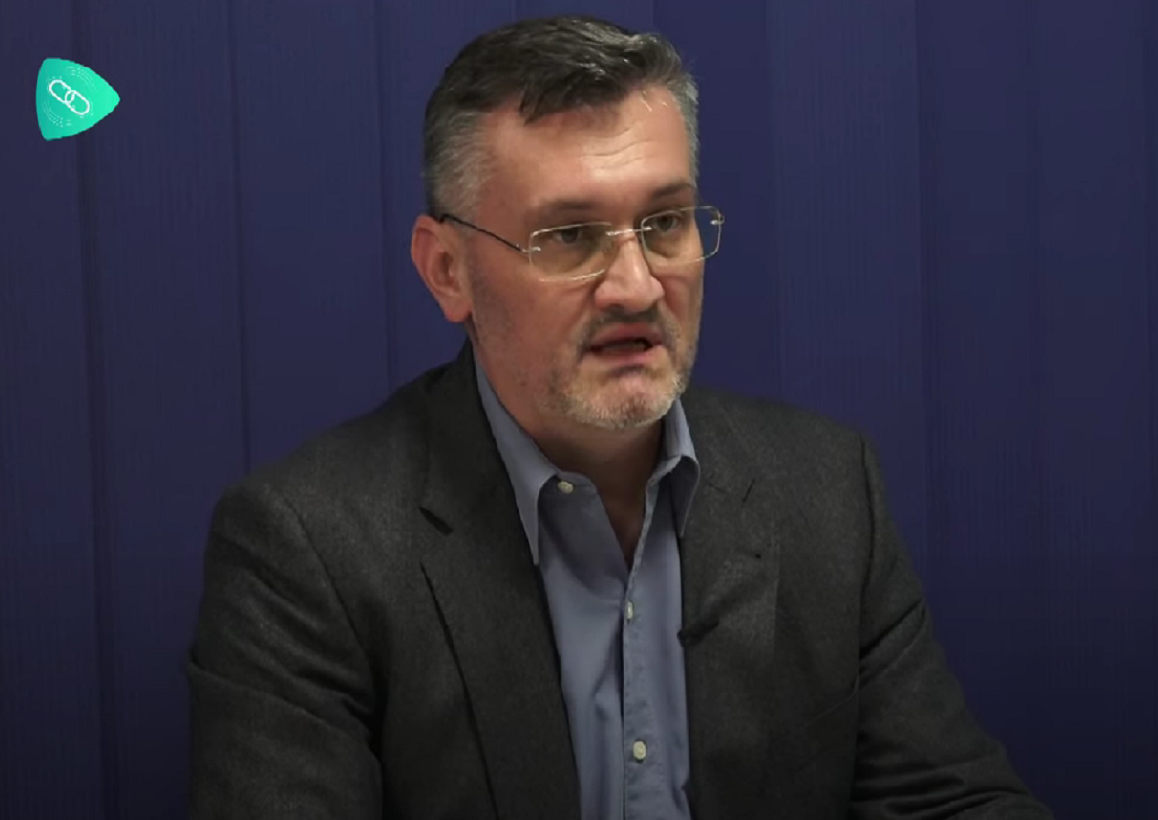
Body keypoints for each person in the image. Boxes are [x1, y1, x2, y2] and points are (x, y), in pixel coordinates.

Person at [187, 14, 1053, 820]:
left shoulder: (827, 492)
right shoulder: (310, 547)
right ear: (448, 270)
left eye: (665, 223)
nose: (636, 287)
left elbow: (952, 803)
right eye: (569, 237)